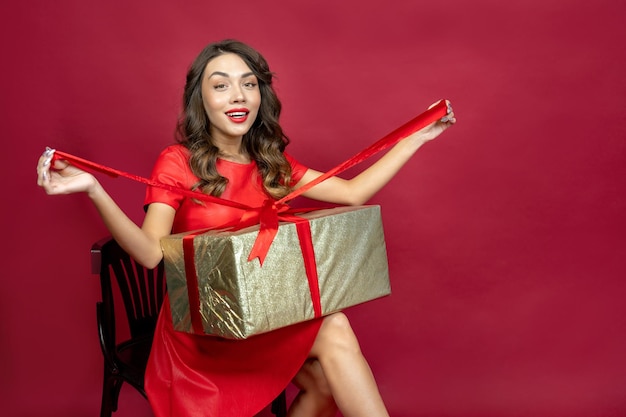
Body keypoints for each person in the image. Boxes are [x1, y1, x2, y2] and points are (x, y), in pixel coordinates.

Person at [36, 39, 456, 417]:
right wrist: (92, 188)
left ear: (261, 94)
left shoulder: (271, 163)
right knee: (334, 334)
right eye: (221, 86)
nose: (238, 96)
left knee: (334, 336)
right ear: (200, 99)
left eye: (249, 84)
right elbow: (149, 254)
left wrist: (416, 138)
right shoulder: (177, 162)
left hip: (263, 319)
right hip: (203, 336)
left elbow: (352, 191)